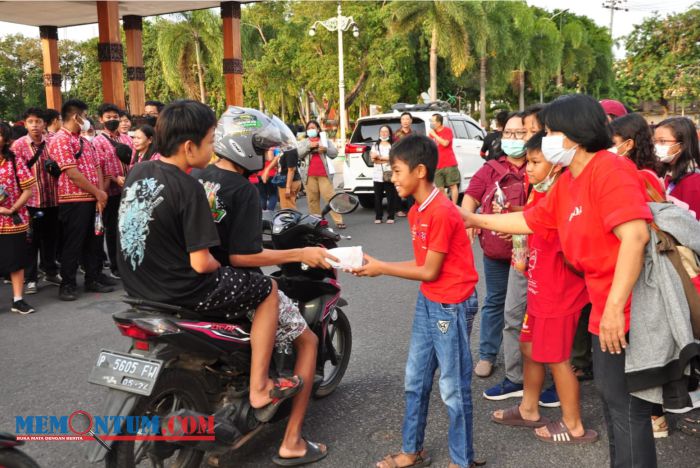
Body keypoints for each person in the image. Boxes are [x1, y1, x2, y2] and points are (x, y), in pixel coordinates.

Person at [463, 94, 657, 467]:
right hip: (605, 306)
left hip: (628, 305)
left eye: (549, 131)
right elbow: (531, 221)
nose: (545, 139)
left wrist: (616, 309)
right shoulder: (569, 181)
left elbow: (635, 237)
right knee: (614, 398)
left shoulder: (609, 169)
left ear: (575, 133)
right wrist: (474, 219)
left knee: (627, 407)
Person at [117, 100, 303, 424]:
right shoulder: (189, 187)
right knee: (268, 289)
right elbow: (203, 264)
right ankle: (260, 387)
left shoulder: (138, 171)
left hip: (139, 288)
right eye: (210, 140)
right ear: (189, 147)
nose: (214, 148)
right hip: (184, 290)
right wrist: (223, 269)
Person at [195, 106, 337, 465]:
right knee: (308, 341)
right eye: (259, 148)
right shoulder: (241, 188)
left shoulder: (200, 177)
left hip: (199, 282)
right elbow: (243, 256)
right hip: (236, 286)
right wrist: (297, 252)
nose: (263, 155)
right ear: (243, 146)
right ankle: (292, 441)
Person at [353, 134, 479, 468]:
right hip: (430, 301)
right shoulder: (416, 212)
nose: (392, 178)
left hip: (450, 305)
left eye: (397, 171)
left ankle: (461, 460)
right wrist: (378, 263)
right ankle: (412, 450)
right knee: (415, 380)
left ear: (419, 170)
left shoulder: (441, 212)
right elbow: (422, 265)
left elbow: (430, 270)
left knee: (453, 386)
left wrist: (382, 269)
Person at [490, 131, 597, 444]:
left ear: (558, 164)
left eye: (536, 162)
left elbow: (568, 239)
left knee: (557, 358)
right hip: (540, 287)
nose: (529, 169)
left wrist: (479, 220)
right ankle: (529, 408)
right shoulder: (540, 190)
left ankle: (573, 424)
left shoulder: (565, 194)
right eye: (528, 162)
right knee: (530, 348)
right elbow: (531, 224)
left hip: (558, 293)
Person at [483, 107, 559, 406]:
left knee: (547, 325)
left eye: (528, 130)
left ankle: (557, 385)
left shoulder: (561, 176)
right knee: (513, 318)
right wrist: (512, 222)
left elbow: (544, 220)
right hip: (523, 257)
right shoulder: (535, 172)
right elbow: (532, 214)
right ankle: (519, 381)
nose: (524, 136)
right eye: (518, 131)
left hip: (549, 264)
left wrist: (476, 221)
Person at [462, 112, 527, 379]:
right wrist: (470, 221)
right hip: (497, 252)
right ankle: (488, 354)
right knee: (495, 301)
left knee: (528, 307)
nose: (513, 138)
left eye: (519, 133)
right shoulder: (491, 168)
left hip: (531, 252)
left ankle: (532, 359)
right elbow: (470, 197)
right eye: (508, 133)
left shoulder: (541, 166)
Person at [49, 99, 112, 301]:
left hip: (93, 199)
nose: (86, 120)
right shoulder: (60, 139)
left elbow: (97, 168)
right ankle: (67, 284)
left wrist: (101, 194)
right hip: (73, 200)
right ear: (76, 117)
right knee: (73, 244)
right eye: (84, 116)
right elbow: (72, 173)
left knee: (94, 242)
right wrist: (97, 192)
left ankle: (93, 279)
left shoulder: (84, 141)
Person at [11, 107, 61, 295]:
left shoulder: (52, 143)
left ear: (44, 124)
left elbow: (61, 167)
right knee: (32, 240)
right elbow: (15, 174)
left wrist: (56, 169)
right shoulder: (18, 146)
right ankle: (31, 278)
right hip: (31, 202)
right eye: (30, 122)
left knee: (51, 238)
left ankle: (50, 271)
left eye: (38, 121)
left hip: (52, 199)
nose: (34, 125)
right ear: (25, 124)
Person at [0, 122, 36, 314]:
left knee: (16, 260)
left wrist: (12, 208)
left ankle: (18, 299)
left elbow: (28, 190)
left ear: (5, 139)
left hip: (13, 219)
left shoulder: (14, 160)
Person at [93, 103, 130, 279]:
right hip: (111, 192)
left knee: (128, 227)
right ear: (101, 120)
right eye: (108, 117)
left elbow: (134, 159)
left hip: (129, 191)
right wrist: (115, 178)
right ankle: (116, 266)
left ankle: (129, 262)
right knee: (113, 229)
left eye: (115, 117)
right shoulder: (97, 141)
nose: (112, 120)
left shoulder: (126, 138)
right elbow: (99, 167)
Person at [298, 120, 345, 228]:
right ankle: (317, 222)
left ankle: (339, 221)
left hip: (324, 174)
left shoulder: (325, 140)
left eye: (313, 128)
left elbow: (334, 153)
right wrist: (309, 147)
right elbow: (298, 154)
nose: (311, 130)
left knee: (330, 197)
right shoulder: (304, 142)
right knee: (312, 200)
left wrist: (325, 149)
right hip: (309, 176)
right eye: (309, 128)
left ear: (318, 129)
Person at [653, 117, 700, 219]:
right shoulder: (665, 172)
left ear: (682, 144)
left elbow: (692, 224)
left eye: (662, 141)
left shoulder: (694, 181)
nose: (656, 146)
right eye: (654, 141)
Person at [610, 113, 665, 196]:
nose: (608, 148)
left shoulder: (641, 177)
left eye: (613, 143)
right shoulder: (636, 173)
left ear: (628, 144)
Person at [370, 125, 399, 223]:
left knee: (391, 196)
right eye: (382, 131)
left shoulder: (393, 145)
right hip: (377, 175)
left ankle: (391, 217)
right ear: (379, 133)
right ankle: (378, 217)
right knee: (377, 197)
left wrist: (379, 157)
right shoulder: (375, 145)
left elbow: (394, 158)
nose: (383, 133)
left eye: (386, 131)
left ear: (390, 133)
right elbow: (373, 159)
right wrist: (386, 159)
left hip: (389, 174)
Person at [429, 114, 460, 204]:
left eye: (433, 121)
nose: (432, 123)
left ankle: (454, 206)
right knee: (440, 188)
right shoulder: (431, 133)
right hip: (437, 164)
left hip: (449, 163)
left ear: (439, 122)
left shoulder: (447, 131)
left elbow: (445, 143)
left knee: (453, 185)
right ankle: (449, 205)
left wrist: (434, 135)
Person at [393, 112, 415, 217]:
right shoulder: (396, 134)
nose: (405, 121)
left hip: (411, 163)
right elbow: (393, 149)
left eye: (407, 119)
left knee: (411, 185)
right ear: (400, 121)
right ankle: (399, 209)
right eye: (403, 119)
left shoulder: (415, 134)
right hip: (399, 163)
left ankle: (411, 209)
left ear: (411, 121)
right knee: (398, 185)